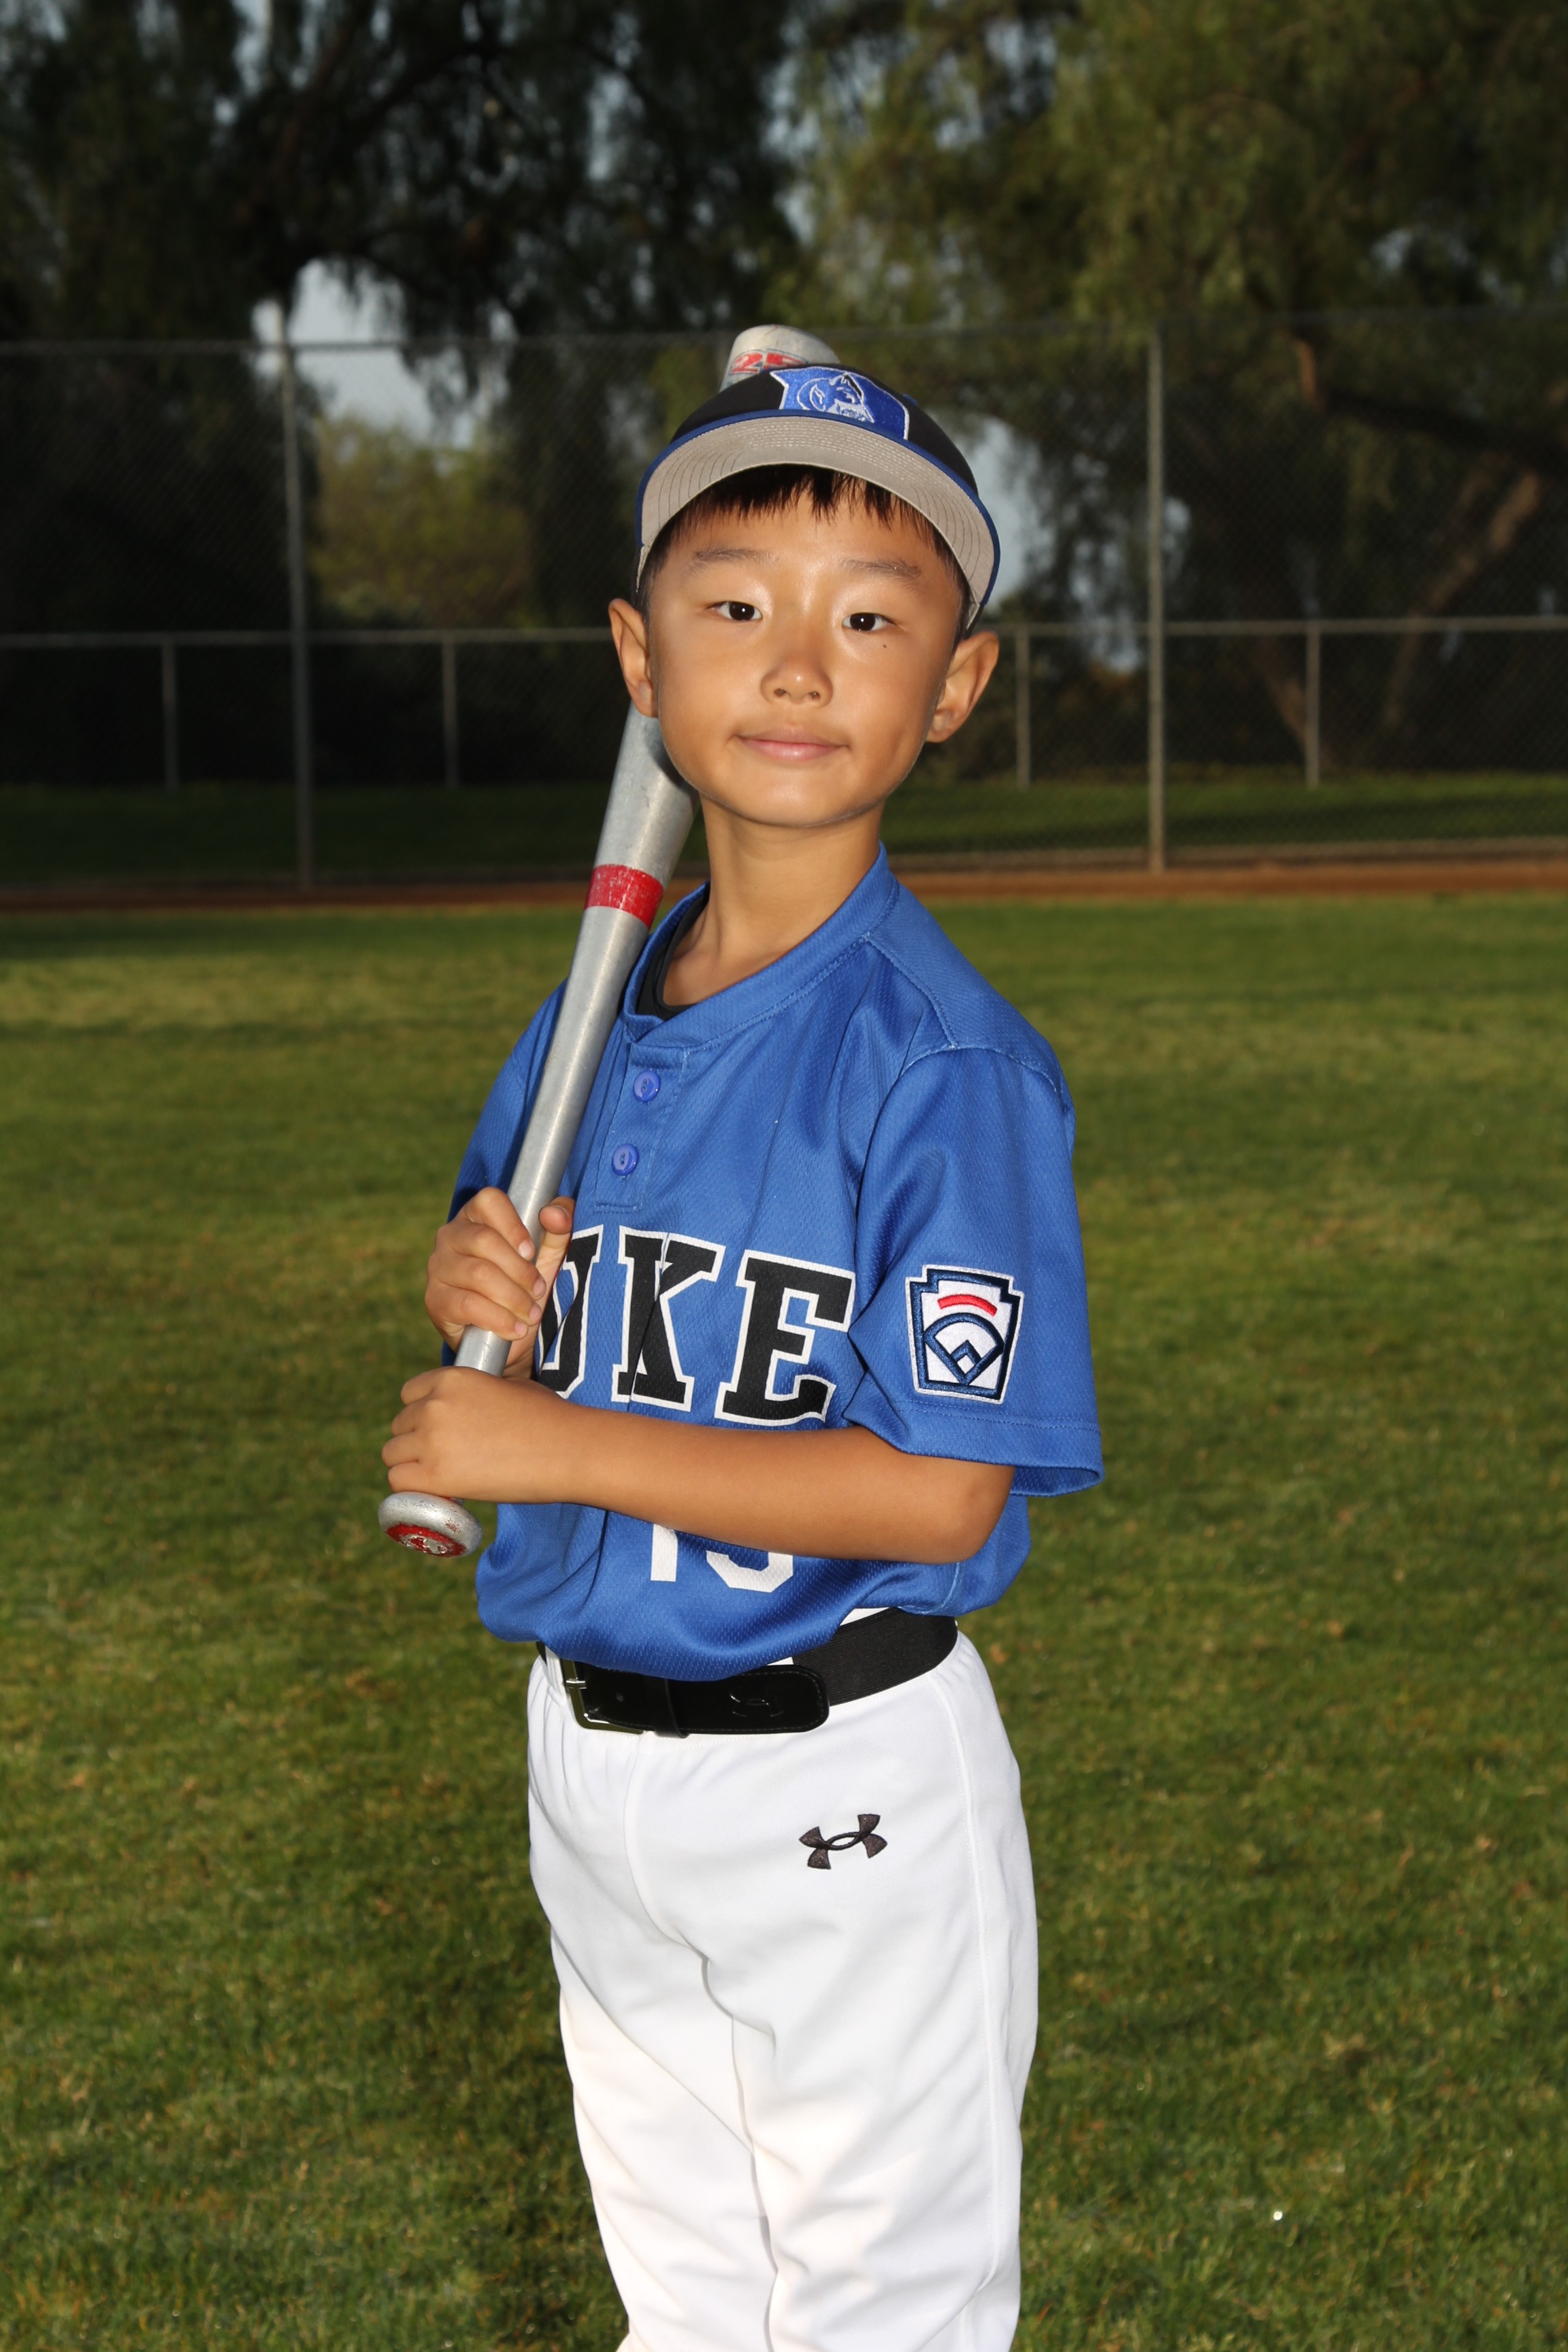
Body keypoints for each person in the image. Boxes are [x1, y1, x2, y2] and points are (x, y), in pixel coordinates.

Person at [382, 326, 1102, 2352]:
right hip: (598, 1771)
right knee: (691, 2311)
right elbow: (521, 1283)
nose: (796, 666)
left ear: (954, 686)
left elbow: (938, 1488)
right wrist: (477, 1289)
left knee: (879, 2321)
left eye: (868, 617)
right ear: (641, 659)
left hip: (838, 1780)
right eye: (735, 608)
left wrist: (546, 1450)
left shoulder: (942, 1065)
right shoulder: (596, 1010)